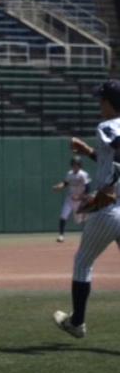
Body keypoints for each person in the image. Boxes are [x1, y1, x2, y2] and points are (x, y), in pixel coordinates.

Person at [54, 81, 120, 338]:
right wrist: (89, 151)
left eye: (101, 99)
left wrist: (110, 184)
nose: (99, 104)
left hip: (108, 206)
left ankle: (77, 322)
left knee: (83, 263)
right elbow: (110, 159)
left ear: (110, 102)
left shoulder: (108, 125)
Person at [52, 157, 90, 242]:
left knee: (79, 220)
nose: (75, 166)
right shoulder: (69, 174)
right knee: (63, 215)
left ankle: (88, 234)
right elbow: (65, 183)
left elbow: (87, 188)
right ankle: (61, 235)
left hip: (79, 200)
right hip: (70, 199)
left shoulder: (83, 174)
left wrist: (80, 197)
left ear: (80, 165)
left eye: (76, 164)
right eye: (73, 164)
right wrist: (59, 186)